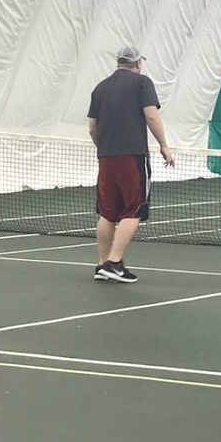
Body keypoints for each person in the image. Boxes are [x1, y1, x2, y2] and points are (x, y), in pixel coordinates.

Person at [87, 45, 175, 283]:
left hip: (106, 158)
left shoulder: (100, 88)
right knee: (134, 209)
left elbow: (92, 128)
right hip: (132, 156)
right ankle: (114, 264)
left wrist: (103, 149)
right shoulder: (142, 83)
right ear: (137, 64)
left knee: (108, 213)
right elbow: (151, 115)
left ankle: (102, 265)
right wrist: (164, 145)